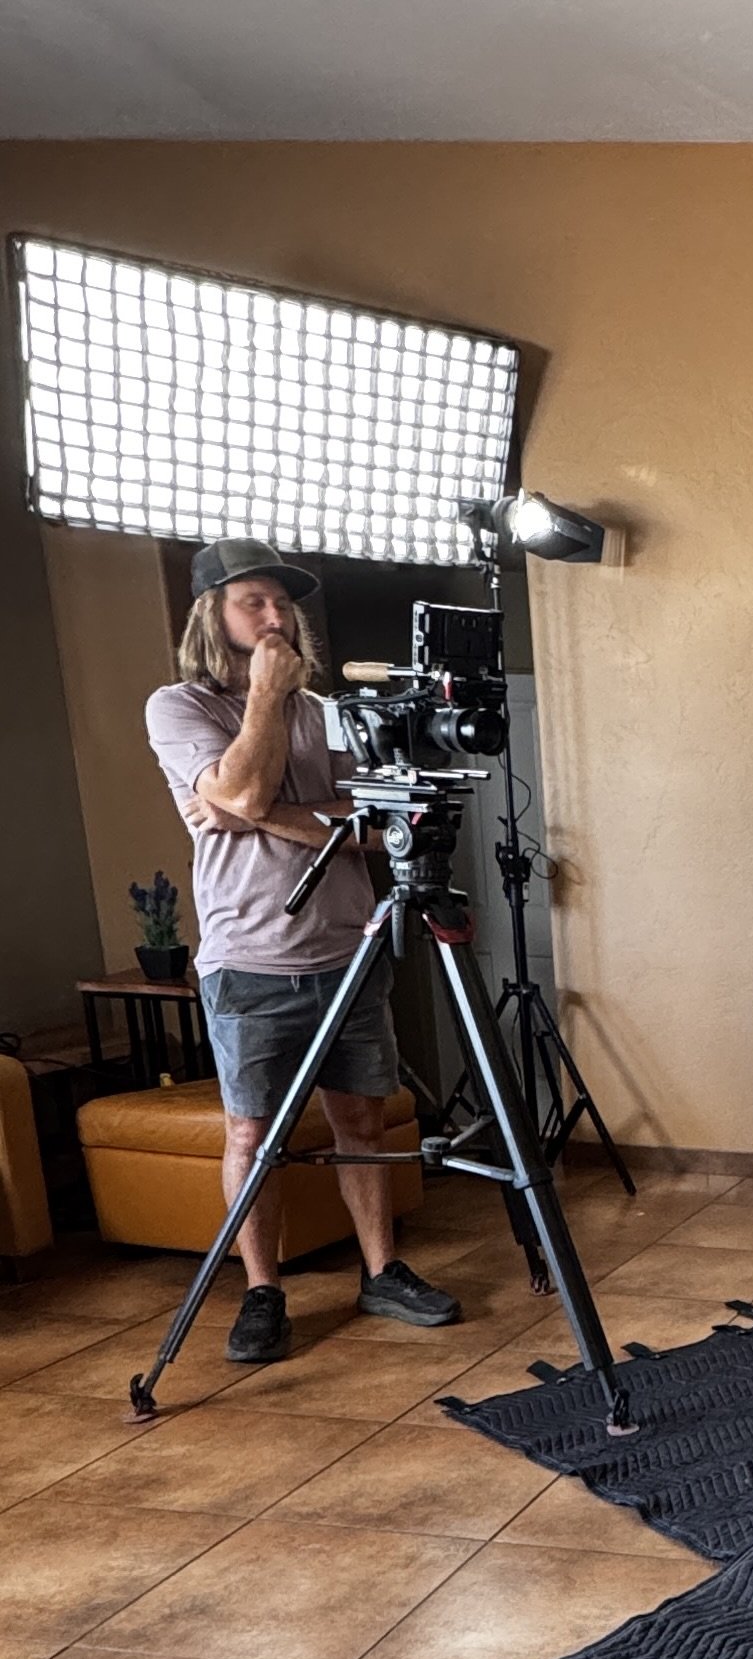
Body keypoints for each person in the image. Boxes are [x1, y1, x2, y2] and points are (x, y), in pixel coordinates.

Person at [146, 541, 459, 1366]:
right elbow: (247, 786)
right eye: (254, 602)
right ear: (211, 614)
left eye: (284, 606)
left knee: (360, 1117)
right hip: (248, 958)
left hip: (348, 952)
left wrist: (254, 811)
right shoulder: (178, 707)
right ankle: (262, 1291)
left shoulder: (331, 711)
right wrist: (263, 709)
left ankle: (383, 1268)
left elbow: (375, 829)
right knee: (253, 1134)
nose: (277, 618)